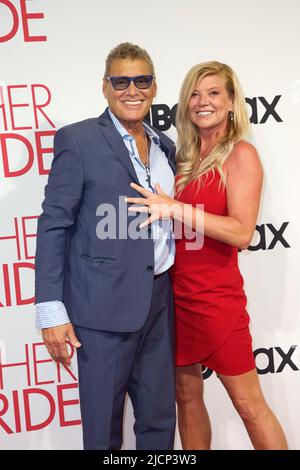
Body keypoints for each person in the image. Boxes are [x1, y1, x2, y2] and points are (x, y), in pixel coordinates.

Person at [125, 61, 288, 450]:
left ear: (232, 102)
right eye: (194, 94)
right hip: (176, 298)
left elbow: (242, 233)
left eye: (214, 93)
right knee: (186, 398)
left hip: (217, 300)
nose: (203, 102)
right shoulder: (181, 156)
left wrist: (176, 208)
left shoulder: (241, 155)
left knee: (249, 405)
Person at [35, 42, 177, 450]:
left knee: (159, 421)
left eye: (142, 80)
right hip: (100, 309)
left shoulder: (165, 144)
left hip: (160, 300)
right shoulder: (77, 141)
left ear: (154, 87)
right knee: (102, 430)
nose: (131, 90)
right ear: (105, 86)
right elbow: (53, 225)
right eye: (121, 80)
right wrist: (50, 311)